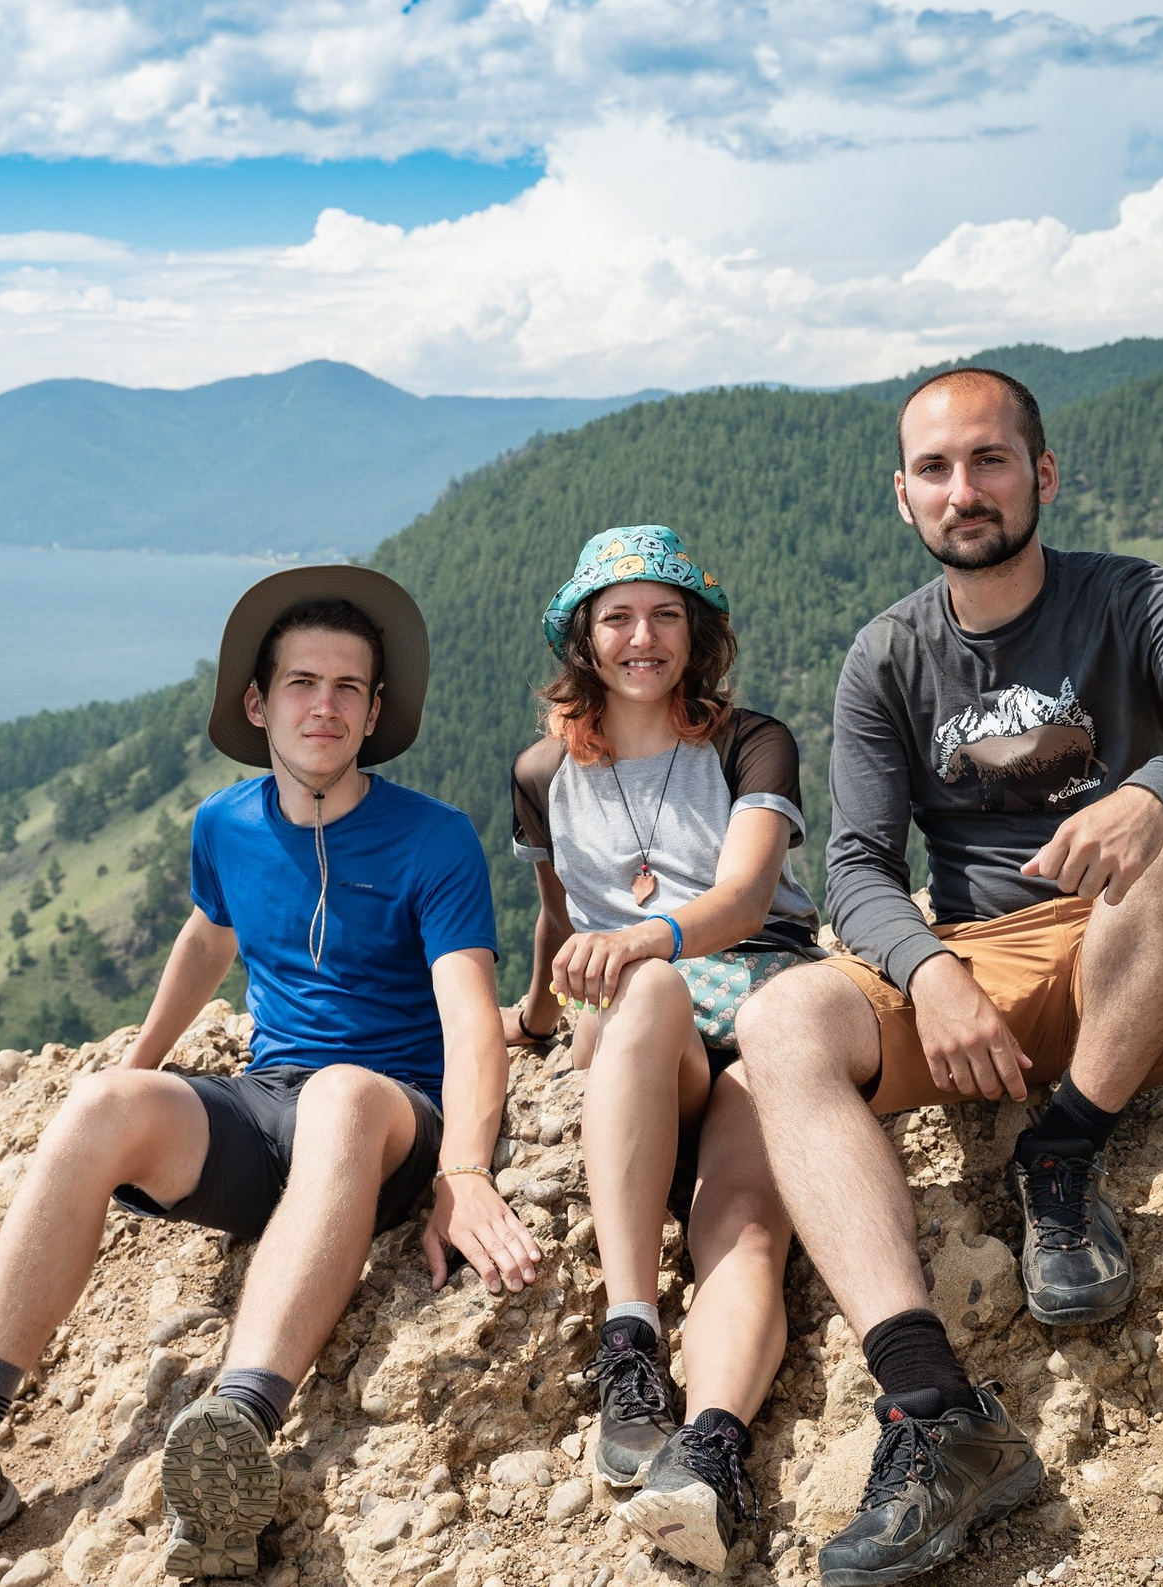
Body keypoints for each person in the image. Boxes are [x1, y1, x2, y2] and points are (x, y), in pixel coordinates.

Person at [0, 566, 542, 1587]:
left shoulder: (433, 838)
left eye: (347, 688)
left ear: (375, 713)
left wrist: (464, 1169)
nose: (324, 706)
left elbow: (468, 1015)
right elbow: (207, 936)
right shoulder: (225, 824)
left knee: (339, 1094)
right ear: (258, 703)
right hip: (269, 1107)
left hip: (385, 1120)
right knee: (98, 1104)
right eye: (301, 683)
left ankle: (236, 1432)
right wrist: (133, 1073)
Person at [736, 368, 1163, 1586]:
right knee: (783, 1016)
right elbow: (854, 867)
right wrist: (929, 971)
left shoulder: (1128, 599)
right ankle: (933, 1411)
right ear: (903, 496)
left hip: (1132, 954)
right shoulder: (888, 655)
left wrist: (1152, 794)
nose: (965, 490)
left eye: (989, 460)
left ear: (1041, 474)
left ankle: (1062, 1154)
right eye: (936, 470)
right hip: (977, 968)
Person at [499, 525, 820, 1573]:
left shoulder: (748, 741)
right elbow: (557, 919)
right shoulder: (542, 771)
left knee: (746, 1224)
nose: (643, 637)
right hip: (645, 1023)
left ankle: (709, 1448)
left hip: (763, 997)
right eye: (619, 618)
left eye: (666, 615)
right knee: (642, 996)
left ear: (697, 632)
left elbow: (746, 898)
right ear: (583, 638)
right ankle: (630, 1334)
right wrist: (532, 1018)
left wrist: (643, 938)